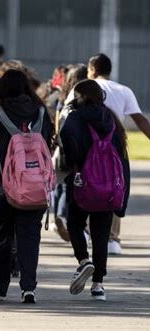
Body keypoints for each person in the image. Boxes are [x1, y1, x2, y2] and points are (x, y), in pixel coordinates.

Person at [0, 69, 54, 303]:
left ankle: (0, 287)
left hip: (2, 184)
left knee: (2, 236)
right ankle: (28, 287)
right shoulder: (41, 112)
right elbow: (48, 145)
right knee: (30, 237)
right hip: (35, 186)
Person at [65, 53, 150, 255]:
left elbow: (65, 116)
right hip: (114, 148)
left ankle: (84, 231)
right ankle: (112, 238)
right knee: (115, 187)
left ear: (92, 68)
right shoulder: (124, 90)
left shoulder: (82, 88)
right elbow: (140, 120)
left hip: (86, 149)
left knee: (85, 186)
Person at [60, 79, 130, 301]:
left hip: (83, 182)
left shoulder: (74, 119)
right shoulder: (111, 120)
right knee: (101, 234)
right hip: (109, 187)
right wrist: (123, 199)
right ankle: (98, 285)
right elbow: (122, 157)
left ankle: (84, 260)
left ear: (79, 97)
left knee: (75, 224)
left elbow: (69, 150)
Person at [53, 64, 88, 242]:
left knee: (61, 183)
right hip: (77, 147)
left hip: (62, 146)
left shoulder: (63, 97)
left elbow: (58, 120)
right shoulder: (83, 98)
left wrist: (58, 140)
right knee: (72, 184)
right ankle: (62, 216)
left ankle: (58, 215)